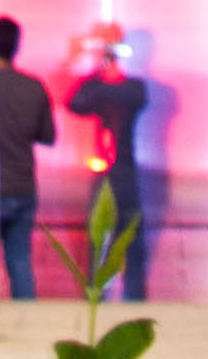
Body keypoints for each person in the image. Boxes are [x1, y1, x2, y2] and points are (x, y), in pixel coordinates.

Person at [64, 25, 158, 302]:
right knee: (130, 242)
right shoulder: (133, 89)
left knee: (103, 240)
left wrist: (98, 69)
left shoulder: (121, 90)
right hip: (123, 171)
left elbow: (77, 101)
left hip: (112, 172)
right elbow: (75, 103)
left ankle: (99, 296)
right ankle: (130, 299)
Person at [0, 18, 56, 301]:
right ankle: (26, 318)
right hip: (22, 186)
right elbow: (48, 136)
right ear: (17, 46)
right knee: (20, 261)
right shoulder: (34, 87)